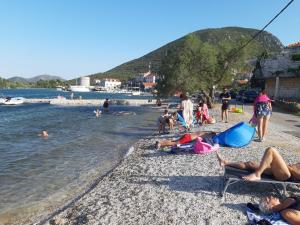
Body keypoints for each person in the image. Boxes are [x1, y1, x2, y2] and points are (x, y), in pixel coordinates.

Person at [216, 147, 300, 182]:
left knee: (271, 150)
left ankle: (257, 174)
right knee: (250, 164)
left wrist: (289, 167)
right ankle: (225, 162)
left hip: (286, 175)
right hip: (283, 169)